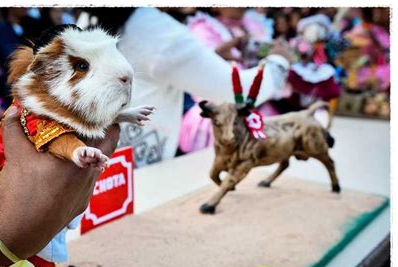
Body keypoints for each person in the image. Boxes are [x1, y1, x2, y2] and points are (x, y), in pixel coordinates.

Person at [0, 7, 120, 267]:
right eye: (81, 66)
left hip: (21, 203)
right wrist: (77, 150)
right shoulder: (31, 110)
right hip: (8, 199)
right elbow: (51, 140)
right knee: (32, 234)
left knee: (47, 228)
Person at [84, 7, 291, 167]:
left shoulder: (99, 17)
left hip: (95, 160)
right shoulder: (155, 30)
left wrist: (211, 59)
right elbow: (235, 91)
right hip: (138, 172)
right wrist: (279, 62)